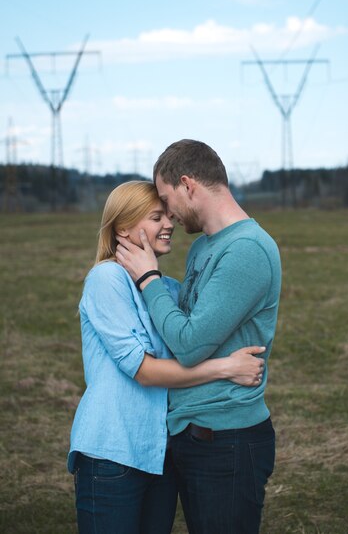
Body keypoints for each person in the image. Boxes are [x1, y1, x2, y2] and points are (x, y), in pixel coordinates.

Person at [68, 180, 266, 534]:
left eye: (167, 214)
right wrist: (225, 368)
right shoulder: (106, 279)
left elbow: (192, 341)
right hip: (111, 452)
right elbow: (142, 370)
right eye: (155, 217)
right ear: (123, 228)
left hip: (158, 453)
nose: (169, 223)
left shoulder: (165, 288)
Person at [116, 140, 282, 534]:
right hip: (193, 435)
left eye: (165, 198)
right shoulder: (204, 246)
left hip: (227, 440)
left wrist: (148, 278)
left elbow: (188, 344)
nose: (168, 214)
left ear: (188, 185)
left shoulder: (247, 250)